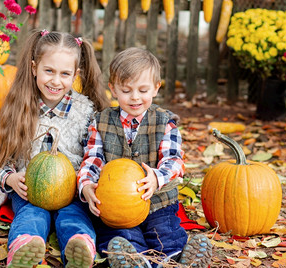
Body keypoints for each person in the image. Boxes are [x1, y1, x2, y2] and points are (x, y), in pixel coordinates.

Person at [0, 29, 110, 268]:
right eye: (48, 71)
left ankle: (79, 246)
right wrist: (11, 180)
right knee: (31, 216)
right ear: (34, 68)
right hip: (29, 190)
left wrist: (85, 184)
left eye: (64, 74)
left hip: (71, 191)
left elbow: (95, 155)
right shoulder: (20, 107)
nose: (55, 80)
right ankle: (24, 244)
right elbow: (1, 156)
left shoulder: (85, 112)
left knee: (74, 216)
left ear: (75, 75)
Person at [78, 47, 212, 268]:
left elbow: (174, 161)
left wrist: (157, 178)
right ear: (113, 89)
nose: (135, 97)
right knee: (119, 233)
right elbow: (92, 159)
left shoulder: (164, 122)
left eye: (143, 90)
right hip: (116, 203)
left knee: (164, 232)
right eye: (126, 90)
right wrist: (86, 186)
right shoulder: (100, 122)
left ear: (156, 88)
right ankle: (134, 260)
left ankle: (180, 259)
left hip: (158, 200)